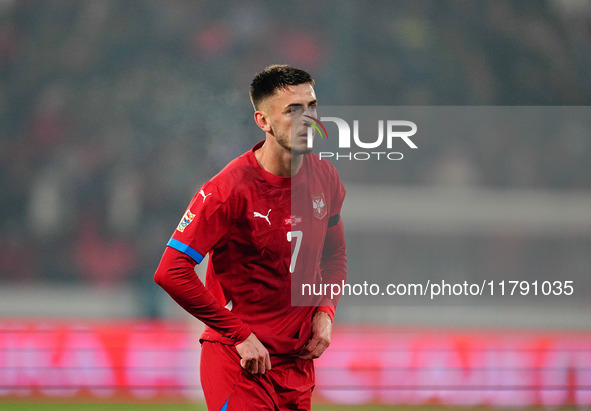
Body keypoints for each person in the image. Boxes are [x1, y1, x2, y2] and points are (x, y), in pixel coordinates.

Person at [154, 64, 347, 410]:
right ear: (263, 121)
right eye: (293, 110)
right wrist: (238, 334)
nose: (309, 119)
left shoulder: (325, 178)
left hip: (296, 365)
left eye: (312, 106)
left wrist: (326, 311)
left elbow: (334, 257)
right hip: (241, 362)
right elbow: (171, 270)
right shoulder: (228, 190)